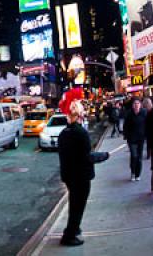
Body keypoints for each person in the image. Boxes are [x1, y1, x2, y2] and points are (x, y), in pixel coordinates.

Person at [57, 100, 110, 246]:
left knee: (74, 204)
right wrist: (103, 156)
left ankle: (73, 228)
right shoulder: (81, 133)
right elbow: (88, 157)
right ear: (80, 115)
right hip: (80, 176)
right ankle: (70, 234)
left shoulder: (63, 134)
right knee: (78, 206)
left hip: (68, 175)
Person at [123, 98, 146, 181]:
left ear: (140, 105)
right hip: (132, 139)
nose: (136, 105)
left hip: (141, 139)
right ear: (132, 105)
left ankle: (138, 174)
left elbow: (147, 124)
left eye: (138, 103)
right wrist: (125, 135)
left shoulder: (144, 113)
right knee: (134, 156)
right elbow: (125, 126)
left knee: (139, 157)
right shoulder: (129, 114)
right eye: (135, 103)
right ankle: (133, 172)